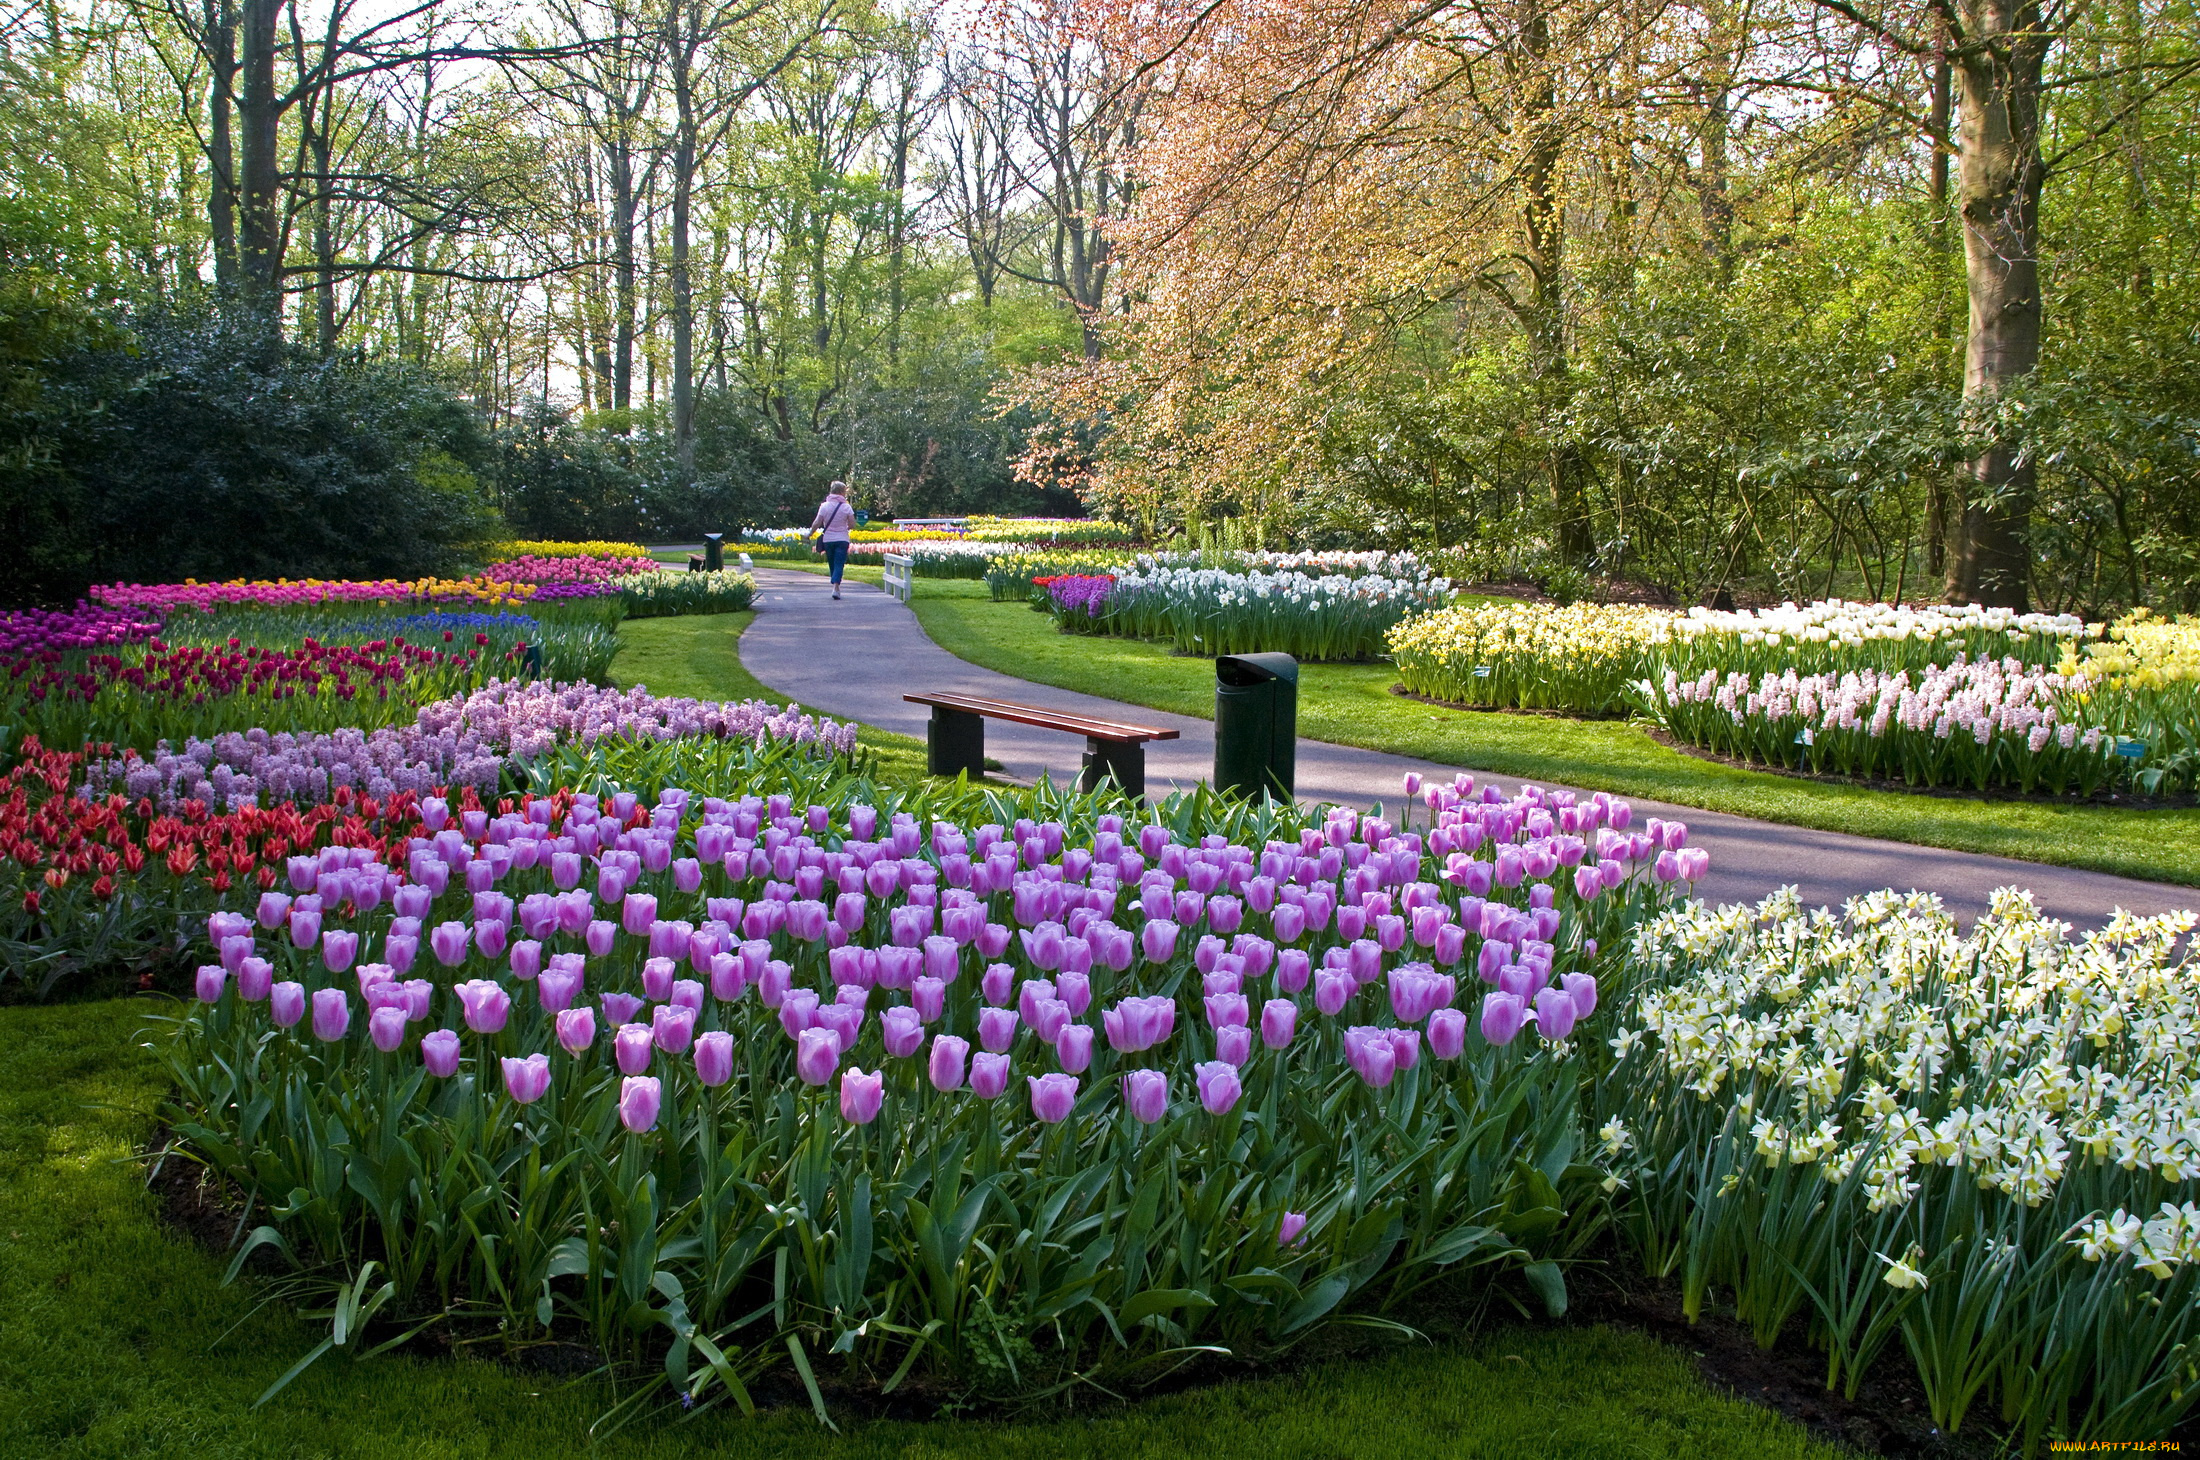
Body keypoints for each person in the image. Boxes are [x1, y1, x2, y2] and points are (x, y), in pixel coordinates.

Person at [809, 481, 856, 599]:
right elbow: (852, 524)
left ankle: (835, 585)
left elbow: (817, 522)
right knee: (839, 563)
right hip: (842, 540)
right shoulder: (846, 507)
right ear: (841, 492)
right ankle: (836, 587)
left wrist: (810, 533)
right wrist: (844, 528)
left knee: (832, 563)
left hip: (828, 539)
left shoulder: (824, 506)